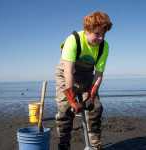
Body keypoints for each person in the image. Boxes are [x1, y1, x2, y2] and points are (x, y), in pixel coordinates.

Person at [55, 11, 112, 150]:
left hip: (87, 75)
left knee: (96, 108)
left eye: (103, 34)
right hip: (67, 74)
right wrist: (73, 101)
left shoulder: (104, 47)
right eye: (97, 34)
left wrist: (91, 97)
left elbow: (98, 74)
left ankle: (95, 145)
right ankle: (63, 145)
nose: (101, 38)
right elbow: (68, 72)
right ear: (87, 30)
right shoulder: (73, 40)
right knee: (65, 111)